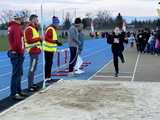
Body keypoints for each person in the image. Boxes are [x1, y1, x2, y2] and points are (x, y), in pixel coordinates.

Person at [7, 12, 28, 100]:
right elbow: (17, 43)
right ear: (18, 19)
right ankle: (14, 93)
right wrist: (20, 52)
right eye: (21, 19)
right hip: (17, 54)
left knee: (18, 73)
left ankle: (18, 91)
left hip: (15, 52)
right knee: (16, 74)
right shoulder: (15, 28)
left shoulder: (12, 27)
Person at [24, 14, 42, 92]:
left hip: (36, 50)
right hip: (33, 51)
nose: (37, 21)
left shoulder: (34, 28)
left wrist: (40, 39)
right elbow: (29, 40)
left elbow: (36, 39)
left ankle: (32, 83)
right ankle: (30, 86)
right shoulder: (29, 29)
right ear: (32, 20)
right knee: (32, 68)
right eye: (36, 19)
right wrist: (39, 38)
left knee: (33, 69)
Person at [44, 16, 62, 82]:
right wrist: (55, 41)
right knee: (48, 64)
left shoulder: (52, 29)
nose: (58, 25)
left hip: (50, 49)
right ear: (54, 23)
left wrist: (57, 42)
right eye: (57, 23)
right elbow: (46, 38)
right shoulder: (50, 28)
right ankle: (46, 77)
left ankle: (48, 77)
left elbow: (52, 38)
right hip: (48, 49)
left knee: (50, 63)